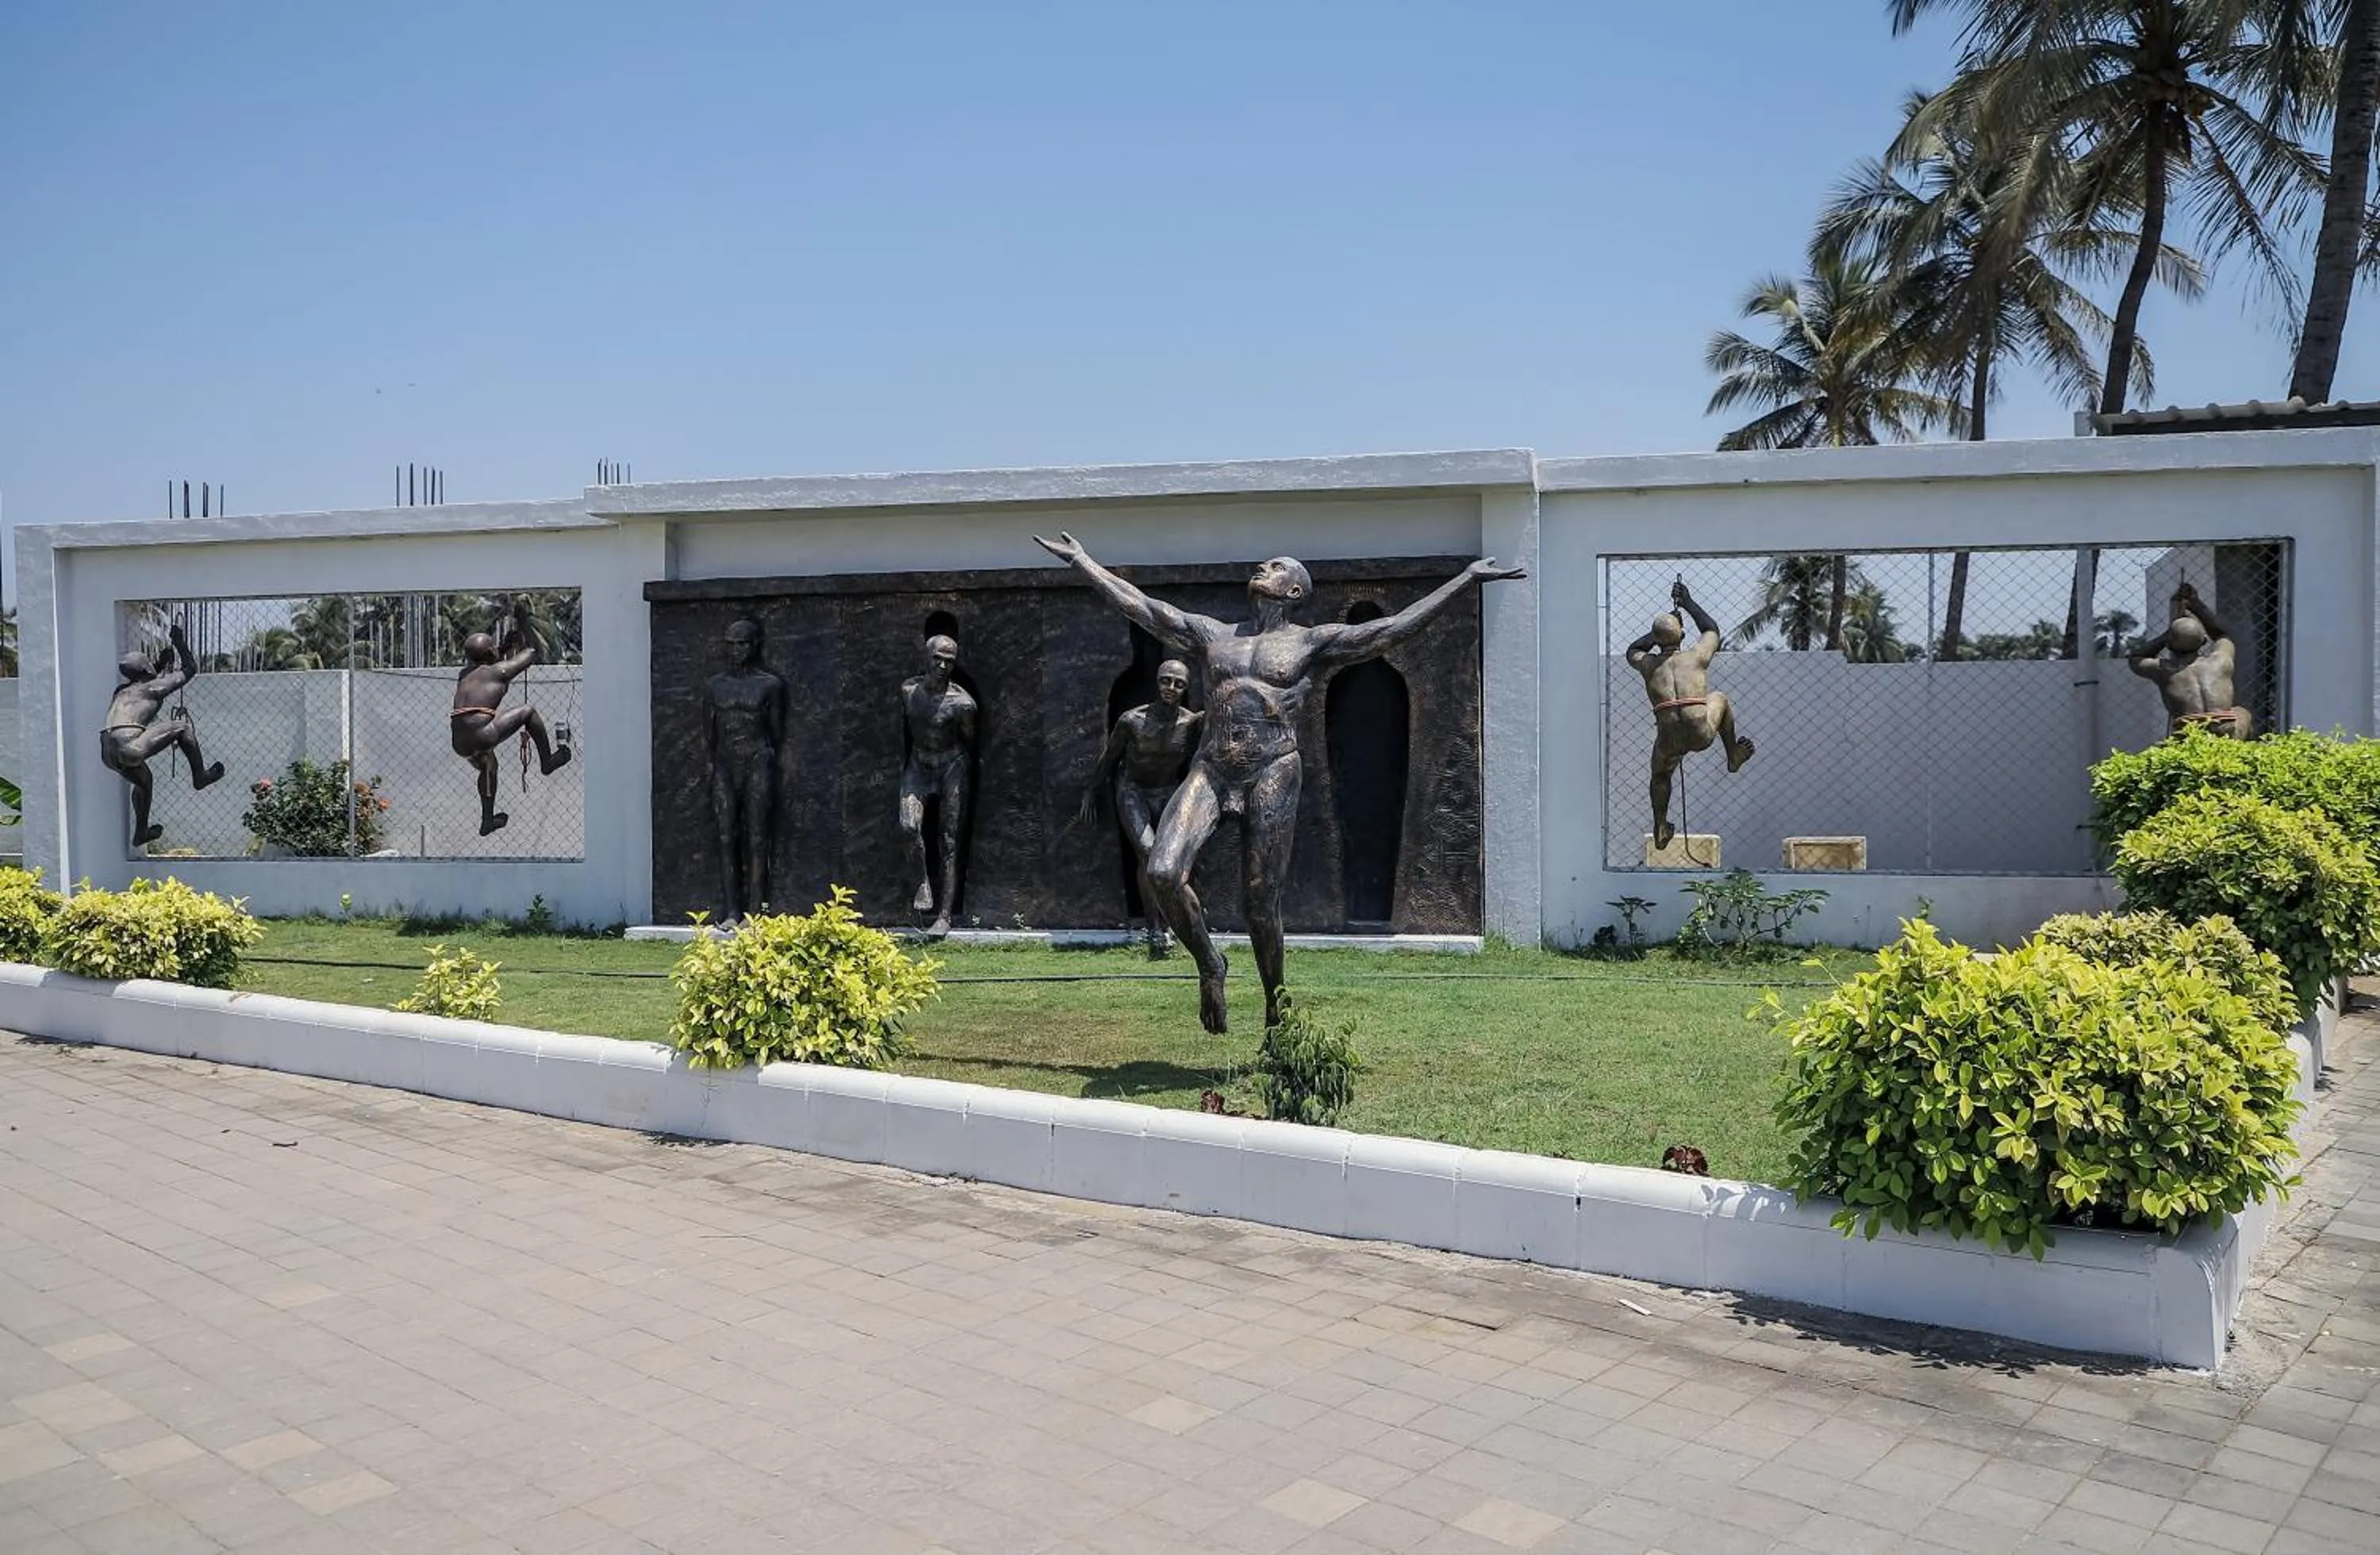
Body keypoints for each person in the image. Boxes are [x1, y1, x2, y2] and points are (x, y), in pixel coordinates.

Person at [1035, 532, 1522, 1033]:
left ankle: (1275, 1002)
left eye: (1276, 566)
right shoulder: (1214, 635)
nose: (1263, 568)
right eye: (1264, 564)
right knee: (1162, 871)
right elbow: (1145, 608)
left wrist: (1465, 580)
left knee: (1260, 901)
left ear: (1294, 591)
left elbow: (1391, 630)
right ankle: (1210, 965)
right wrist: (1083, 562)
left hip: (1273, 770)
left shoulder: (1310, 643)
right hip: (1213, 768)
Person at [1077, 658, 1202, 956]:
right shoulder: (1132, 720)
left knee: (1171, 857)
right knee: (1148, 851)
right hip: (1133, 790)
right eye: (1166, 680)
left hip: (1168, 790)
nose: (1171, 687)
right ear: (1157, 682)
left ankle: (1175, 922)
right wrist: (1091, 789)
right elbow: (1110, 756)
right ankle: (1155, 927)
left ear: (1186, 689)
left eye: (1179, 684)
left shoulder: (1191, 724)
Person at [1626, 578, 1754, 851]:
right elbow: (1711, 629)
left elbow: (1632, 651)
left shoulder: (1648, 665)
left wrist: (1656, 634)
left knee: (1660, 775)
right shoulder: (1696, 656)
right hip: (1701, 733)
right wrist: (1687, 603)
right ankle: (1732, 754)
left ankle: (1661, 824)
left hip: (1669, 739)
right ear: (1682, 635)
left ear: (1656, 640)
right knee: (1719, 698)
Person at [449, 597, 572, 838]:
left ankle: (487, 820)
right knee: (528, 711)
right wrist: (524, 622)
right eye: (493, 647)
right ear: (490, 652)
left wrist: (503, 647)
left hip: (460, 741)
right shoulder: (500, 671)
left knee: (488, 764)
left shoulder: (465, 674)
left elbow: (487, 662)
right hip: (482, 733)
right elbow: (533, 651)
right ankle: (547, 762)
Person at [100, 623, 225, 849]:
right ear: (145, 668)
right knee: (182, 727)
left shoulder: (121, 691)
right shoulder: (152, 689)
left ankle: (141, 832)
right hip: (128, 744)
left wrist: (160, 663)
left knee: (144, 781)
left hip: (108, 751)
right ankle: (201, 777)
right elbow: (190, 669)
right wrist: (180, 643)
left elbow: (147, 678)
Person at [705, 617, 786, 921]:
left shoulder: (770, 685)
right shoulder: (714, 686)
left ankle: (755, 910)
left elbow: (776, 731)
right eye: (731, 644)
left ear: (755, 645)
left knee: (757, 837)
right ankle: (731, 911)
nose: (736, 650)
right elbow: (709, 733)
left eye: (742, 644)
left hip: (757, 761)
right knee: (726, 837)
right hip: (726, 765)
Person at [899, 634, 977, 939]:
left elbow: (970, 740)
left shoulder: (963, 704)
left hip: (951, 766)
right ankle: (921, 880)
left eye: (949, 661)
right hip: (919, 764)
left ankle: (944, 915)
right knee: (908, 826)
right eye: (937, 659)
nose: (943, 666)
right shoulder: (908, 691)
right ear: (926, 657)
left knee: (949, 841)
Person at [2129, 582, 2252, 739]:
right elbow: (2222, 635)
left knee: (2184, 727)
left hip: (2188, 734)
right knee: (2242, 713)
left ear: (2169, 645)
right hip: (2223, 730)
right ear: (2204, 641)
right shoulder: (2220, 662)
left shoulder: (2164, 670)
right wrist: (2196, 605)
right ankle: (2240, 748)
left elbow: (2136, 658)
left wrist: (2168, 635)